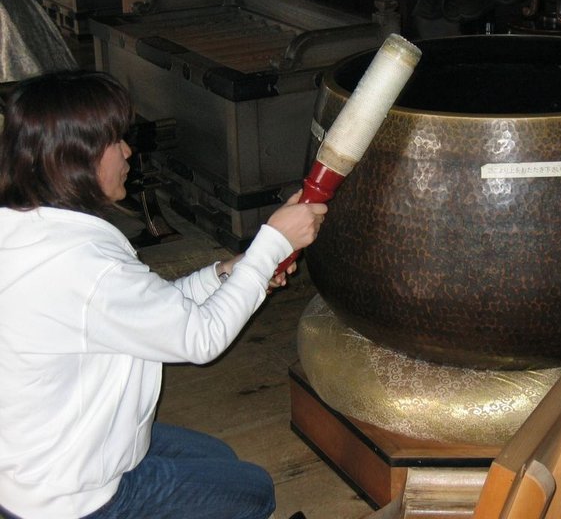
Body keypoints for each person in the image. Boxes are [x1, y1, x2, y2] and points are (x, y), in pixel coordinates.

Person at [0, 70, 328, 519]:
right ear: (78, 157)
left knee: (218, 459)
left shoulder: (30, 229)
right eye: (115, 140)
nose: (127, 151)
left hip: (35, 463)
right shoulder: (83, 266)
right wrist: (273, 241)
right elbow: (199, 339)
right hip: (71, 501)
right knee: (254, 492)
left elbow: (144, 310)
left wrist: (225, 274)